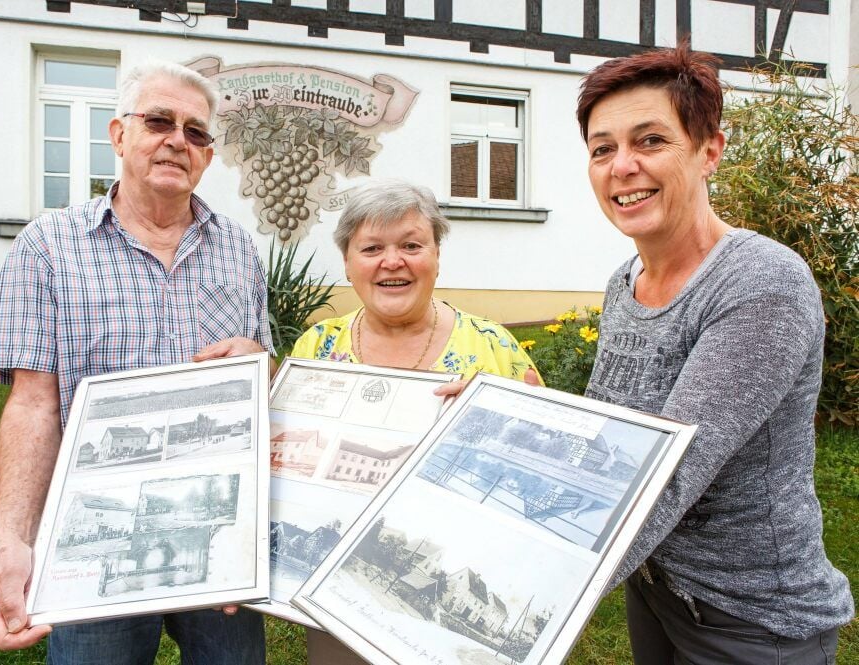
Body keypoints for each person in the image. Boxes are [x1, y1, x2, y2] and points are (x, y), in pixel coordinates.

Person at [0, 60, 272, 664]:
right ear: (118, 135)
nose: (176, 141)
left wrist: (260, 363)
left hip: (216, 533)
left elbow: (257, 381)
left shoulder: (239, 248)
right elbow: (33, 404)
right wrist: (10, 539)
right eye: (159, 121)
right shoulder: (49, 246)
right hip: (94, 538)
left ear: (208, 156)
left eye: (195, 132)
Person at [576, 42, 853, 663]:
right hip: (658, 586)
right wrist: (506, 424)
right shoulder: (627, 281)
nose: (622, 166)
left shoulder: (760, 283)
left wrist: (528, 588)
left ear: (709, 152)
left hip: (751, 619)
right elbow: (611, 429)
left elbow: (670, 475)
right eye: (603, 148)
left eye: (650, 141)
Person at [290, 179, 541, 663]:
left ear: (436, 255)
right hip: (332, 594)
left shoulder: (492, 348)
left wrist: (499, 417)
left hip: (460, 561)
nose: (392, 261)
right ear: (347, 262)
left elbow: (538, 460)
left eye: (411, 245)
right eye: (371, 248)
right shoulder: (316, 350)